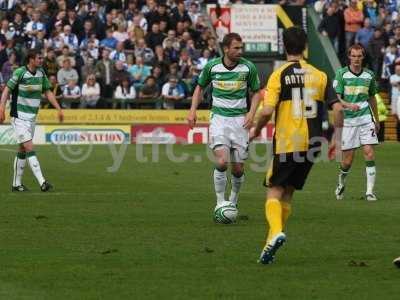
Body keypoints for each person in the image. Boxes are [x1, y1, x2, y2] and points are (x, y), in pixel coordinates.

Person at [249, 27, 343, 264]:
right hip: (313, 143)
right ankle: (270, 242)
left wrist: (257, 129)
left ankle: (275, 233)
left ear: (284, 46)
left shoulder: (278, 75)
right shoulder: (320, 75)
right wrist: (337, 138)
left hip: (288, 141)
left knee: (273, 189)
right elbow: (338, 108)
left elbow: (268, 110)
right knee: (288, 192)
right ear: (305, 46)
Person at [187, 33, 261, 213]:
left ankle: (233, 201)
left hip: (240, 121)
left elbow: (257, 92)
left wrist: (252, 113)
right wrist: (192, 110)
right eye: (236, 48)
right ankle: (220, 202)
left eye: (241, 48)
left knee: (237, 168)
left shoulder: (248, 68)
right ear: (226, 49)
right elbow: (199, 87)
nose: (239, 51)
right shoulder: (212, 67)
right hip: (219, 119)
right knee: (222, 161)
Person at [0, 49, 64, 192]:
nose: (42, 60)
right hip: (19, 117)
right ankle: (43, 182)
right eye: (39, 58)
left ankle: (16, 184)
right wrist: (2, 108)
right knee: (29, 147)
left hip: (32, 118)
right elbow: (7, 90)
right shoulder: (20, 73)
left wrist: (59, 109)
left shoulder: (41, 73)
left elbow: (47, 92)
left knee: (22, 149)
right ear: (31, 59)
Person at [332, 44, 380, 201]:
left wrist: (376, 119)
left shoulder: (369, 75)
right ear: (349, 57)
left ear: (363, 57)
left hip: (366, 119)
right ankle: (341, 183)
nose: (356, 59)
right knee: (348, 160)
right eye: (354, 56)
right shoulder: (341, 74)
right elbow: (338, 97)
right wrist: (348, 105)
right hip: (349, 121)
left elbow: (372, 97)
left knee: (369, 152)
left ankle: (370, 192)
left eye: (359, 56)